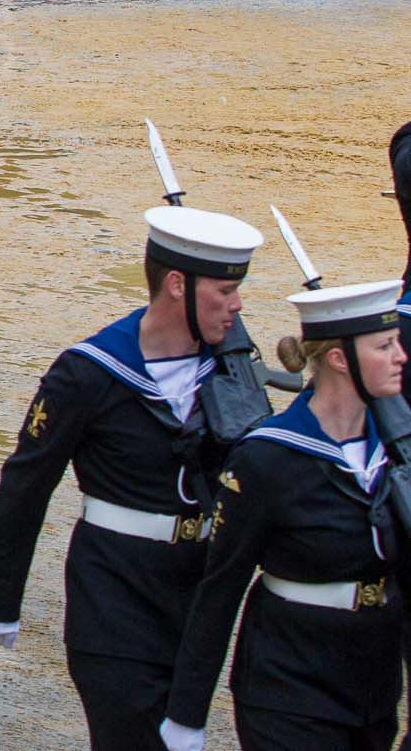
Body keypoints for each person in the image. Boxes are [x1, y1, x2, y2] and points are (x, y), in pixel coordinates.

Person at [0, 206, 265, 751]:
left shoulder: (232, 370)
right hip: (114, 598)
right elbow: (26, 485)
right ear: (178, 284)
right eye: (225, 291)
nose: (238, 304)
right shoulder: (87, 372)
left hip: (196, 600)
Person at [160, 280, 409, 751]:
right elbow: (220, 587)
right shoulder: (268, 459)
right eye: (385, 346)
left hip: (374, 689)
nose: (401, 356)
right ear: (339, 359)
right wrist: (186, 716)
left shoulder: (398, 451)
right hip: (288, 687)